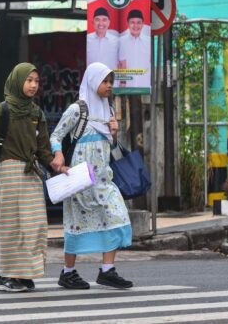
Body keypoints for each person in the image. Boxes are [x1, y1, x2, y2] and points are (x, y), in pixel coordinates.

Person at [50, 62, 134, 290]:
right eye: (104, 81)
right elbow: (56, 135)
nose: (109, 86)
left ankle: (107, 270)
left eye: (110, 82)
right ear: (93, 81)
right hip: (80, 180)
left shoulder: (110, 110)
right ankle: (68, 272)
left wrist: (115, 134)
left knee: (116, 216)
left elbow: (112, 149)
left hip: (104, 180)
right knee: (76, 225)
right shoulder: (78, 109)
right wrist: (57, 154)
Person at [0, 63, 54, 292]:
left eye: (36, 81)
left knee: (35, 225)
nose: (33, 85)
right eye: (29, 80)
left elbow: (43, 149)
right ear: (18, 81)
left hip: (31, 173)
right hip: (9, 171)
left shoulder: (36, 113)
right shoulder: (3, 110)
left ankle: (25, 273)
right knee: (12, 225)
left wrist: (58, 165)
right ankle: (7, 275)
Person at [118, 9, 151, 89]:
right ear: (128, 24)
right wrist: (122, 82)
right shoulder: (121, 41)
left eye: (139, 22)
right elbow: (122, 64)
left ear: (143, 24)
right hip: (126, 87)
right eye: (132, 22)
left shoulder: (149, 42)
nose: (136, 26)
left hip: (144, 86)